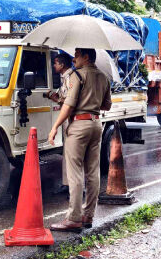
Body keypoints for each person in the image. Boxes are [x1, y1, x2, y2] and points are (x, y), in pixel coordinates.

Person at [48, 47, 112, 231]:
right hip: (96, 124)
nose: (73, 59)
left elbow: (68, 105)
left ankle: (73, 218)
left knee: (74, 171)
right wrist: (92, 98)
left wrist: (54, 128)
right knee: (93, 172)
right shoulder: (103, 77)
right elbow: (107, 105)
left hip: (79, 125)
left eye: (76, 55)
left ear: (86, 57)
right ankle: (88, 216)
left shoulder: (78, 76)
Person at [47, 53, 73, 194]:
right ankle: (66, 183)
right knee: (66, 152)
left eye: (56, 63)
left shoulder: (70, 78)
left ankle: (74, 187)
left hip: (70, 119)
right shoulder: (64, 78)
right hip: (67, 119)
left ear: (62, 65)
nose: (54, 65)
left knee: (72, 153)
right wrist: (54, 97)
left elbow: (69, 101)